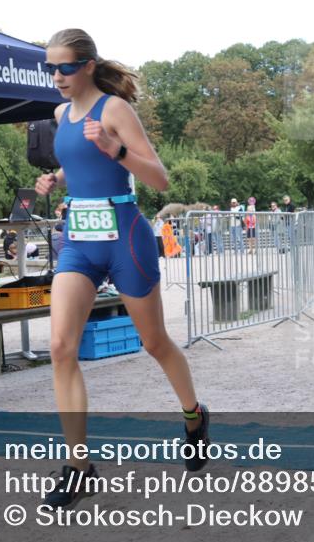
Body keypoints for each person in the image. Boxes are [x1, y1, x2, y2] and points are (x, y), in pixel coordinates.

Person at [34, 28, 209, 509]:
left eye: (65, 67)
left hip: (125, 236)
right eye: (51, 68)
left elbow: (157, 175)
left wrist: (116, 150)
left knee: (154, 342)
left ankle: (194, 415)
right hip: (79, 241)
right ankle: (78, 466)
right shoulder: (59, 114)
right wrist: (57, 178)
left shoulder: (114, 110)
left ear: (88, 65)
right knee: (60, 345)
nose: (57, 77)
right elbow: (81, 163)